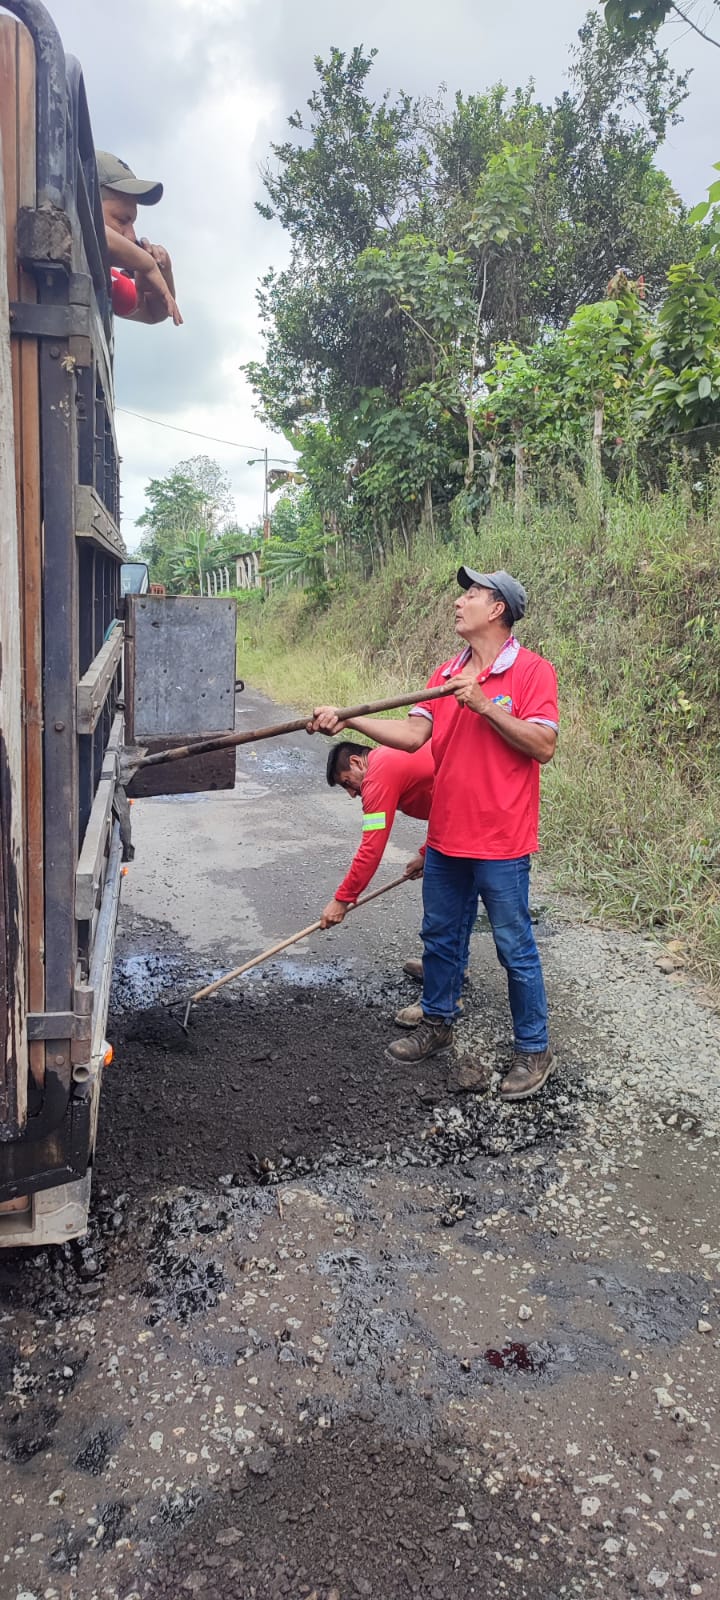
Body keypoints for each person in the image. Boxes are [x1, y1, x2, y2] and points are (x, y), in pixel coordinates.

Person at [311, 569, 559, 1102]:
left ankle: (534, 1049)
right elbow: (410, 734)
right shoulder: (445, 673)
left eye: (471, 594)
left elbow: (543, 746)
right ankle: (438, 1023)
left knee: (514, 947)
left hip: (501, 842)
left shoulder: (532, 672)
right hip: (447, 840)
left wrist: (485, 705)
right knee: (440, 939)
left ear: (498, 609)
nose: (458, 602)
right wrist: (349, 722)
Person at [321, 739, 474, 1026]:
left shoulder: (378, 776)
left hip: (474, 817)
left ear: (356, 762)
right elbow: (444, 804)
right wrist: (426, 853)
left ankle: (443, 999)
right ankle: (453, 971)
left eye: (347, 783)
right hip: (466, 813)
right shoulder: (388, 762)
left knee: (443, 910)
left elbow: (371, 848)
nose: (352, 794)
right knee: (458, 900)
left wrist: (343, 899)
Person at [96, 151, 182, 326]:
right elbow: (84, 226)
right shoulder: (61, 229)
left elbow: (153, 312)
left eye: (132, 223)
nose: (132, 236)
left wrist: (163, 271)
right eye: (122, 220)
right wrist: (146, 264)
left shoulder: (106, 278)